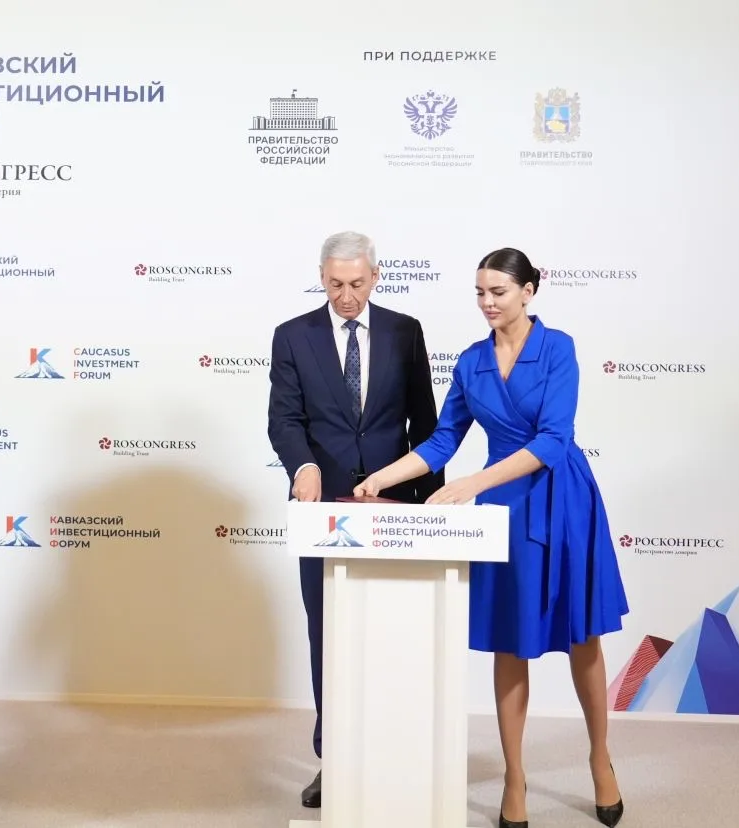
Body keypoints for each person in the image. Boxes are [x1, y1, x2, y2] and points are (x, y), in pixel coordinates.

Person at [354, 247, 628, 827]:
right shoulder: (471, 362)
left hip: (563, 498)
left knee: (583, 637)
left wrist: (473, 483)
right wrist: (381, 478)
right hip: (504, 508)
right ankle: (514, 776)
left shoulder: (559, 348)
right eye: (479, 292)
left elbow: (553, 439)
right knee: (510, 640)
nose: (487, 302)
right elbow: (441, 441)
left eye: (498, 292)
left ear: (529, 290)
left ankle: (600, 757)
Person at [266, 231, 444, 809]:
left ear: (376, 276)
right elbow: (284, 419)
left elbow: (425, 424)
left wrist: (430, 509)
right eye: (336, 284)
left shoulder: (404, 331)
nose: (346, 296)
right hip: (322, 509)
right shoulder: (292, 336)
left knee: (396, 632)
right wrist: (303, 467)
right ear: (321, 276)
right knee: (328, 634)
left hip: (395, 507)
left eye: (357, 284)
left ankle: (397, 754)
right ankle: (336, 759)